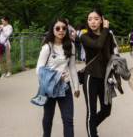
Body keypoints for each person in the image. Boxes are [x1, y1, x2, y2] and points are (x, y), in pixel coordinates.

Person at [36, 17, 79, 137]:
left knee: (68, 120)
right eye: (58, 28)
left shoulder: (70, 46)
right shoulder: (47, 47)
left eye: (64, 28)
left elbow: (72, 67)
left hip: (65, 86)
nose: (61, 30)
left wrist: (76, 87)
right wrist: (56, 77)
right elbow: (39, 70)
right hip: (50, 87)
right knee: (48, 118)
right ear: (52, 29)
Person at [80, 8, 114, 137]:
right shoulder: (85, 37)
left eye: (96, 19)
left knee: (106, 110)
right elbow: (98, 44)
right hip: (91, 77)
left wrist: (114, 66)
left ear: (101, 20)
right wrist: (106, 28)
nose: (92, 22)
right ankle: (92, 134)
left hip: (105, 77)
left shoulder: (108, 36)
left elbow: (110, 53)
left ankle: (91, 128)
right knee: (91, 113)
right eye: (89, 19)